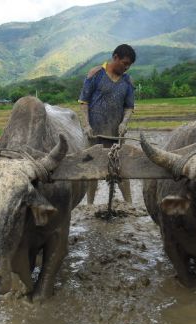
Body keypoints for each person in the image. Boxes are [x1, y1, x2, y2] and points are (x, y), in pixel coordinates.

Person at [78, 44, 136, 205]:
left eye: (129, 65)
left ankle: (130, 205)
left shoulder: (128, 81)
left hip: (116, 134)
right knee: (92, 169)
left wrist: (124, 122)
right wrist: (86, 125)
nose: (126, 67)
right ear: (115, 57)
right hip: (94, 133)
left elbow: (129, 107)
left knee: (121, 169)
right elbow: (84, 102)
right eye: (124, 63)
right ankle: (89, 205)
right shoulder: (95, 74)